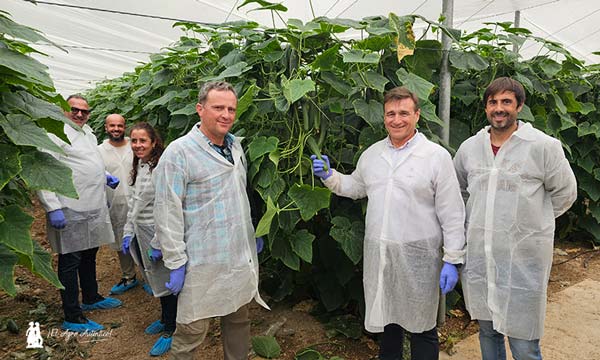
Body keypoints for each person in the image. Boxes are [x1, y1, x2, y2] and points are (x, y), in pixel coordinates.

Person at [311, 87, 466, 360]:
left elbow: (452, 212)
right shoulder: (372, 154)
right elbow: (356, 186)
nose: (397, 120)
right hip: (380, 254)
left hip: (419, 256)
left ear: (417, 116)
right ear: (384, 118)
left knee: (423, 327)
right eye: (391, 114)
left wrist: (452, 259)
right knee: (389, 324)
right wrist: (329, 176)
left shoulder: (435, 156)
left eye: (404, 113)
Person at [453, 77, 577, 360]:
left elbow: (566, 193)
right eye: (493, 102)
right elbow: (457, 190)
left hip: (524, 262)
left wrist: (532, 225)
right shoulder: (470, 148)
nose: (499, 108)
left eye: (506, 102)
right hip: (482, 261)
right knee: (488, 332)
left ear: (519, 106)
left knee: (524, 344)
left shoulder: (542, 146)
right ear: (485, 108)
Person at [152, 81, 269, 360]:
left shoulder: (236, 146)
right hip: (201, 258)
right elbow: (167, 211)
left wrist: (252, 230)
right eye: (218, 107)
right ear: (200, 109)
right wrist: (175, 261)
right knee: (191, 330)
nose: (226, 114)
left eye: (231, 109)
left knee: (238, 320)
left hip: (238, 254)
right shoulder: (179, 153)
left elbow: (240, 193)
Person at [37, 95, 122, 333]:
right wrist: (52, 207)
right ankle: (72, 316)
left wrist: (104, 176)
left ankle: (91, 297)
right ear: (64, 109)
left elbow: (88, 161)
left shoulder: (88, 133)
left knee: (89, 253)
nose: (80, 114)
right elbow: (42, 171)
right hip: (69, 206)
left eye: (85, 111)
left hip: (92, 205)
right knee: (70, 260)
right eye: (74, 110)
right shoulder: (54, 133)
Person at [120, 122, 175, 356]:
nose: (138, 145)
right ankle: (165, 319)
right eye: (134, 140)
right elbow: (134, 202)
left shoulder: (162, 167)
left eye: (143, 140)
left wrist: (160, 242)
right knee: (155, 277)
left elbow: (168, 207)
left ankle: (173, 328)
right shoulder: (140, 165)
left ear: (154, 142)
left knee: (168, 280)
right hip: (143, 230)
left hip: (159, 229)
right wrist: (128, 231)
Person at [97, 114, 139, 295]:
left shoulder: (135, 144)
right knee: (121, 240)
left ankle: (150, 276)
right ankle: (129, 276)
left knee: (144, 239)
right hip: (115, 203)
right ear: (106, 128)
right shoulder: (99, 150)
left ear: (125, 127)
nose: (116, 129)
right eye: (112, 126)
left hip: (139, 201)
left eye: (120, 126)